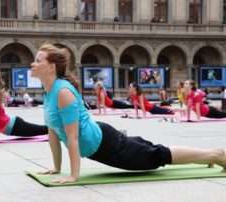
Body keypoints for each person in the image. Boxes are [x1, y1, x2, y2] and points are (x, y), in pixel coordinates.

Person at [31, 44, 226, 184]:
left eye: (37, 60)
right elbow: (53, 133)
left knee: (158, 155)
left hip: (107, 145)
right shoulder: (50, 93)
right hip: (102, 143)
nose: (32, 64)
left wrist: (73, 176)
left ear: (51, 67)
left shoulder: (63, 92)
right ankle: (209, 156)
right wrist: (56, 168)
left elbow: (72, 138)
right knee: (153, 150)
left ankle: (217, 155)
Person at [0, 72, 48, 142]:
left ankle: (57, 129)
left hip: (13, 126)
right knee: (42, 130)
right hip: (11, 126)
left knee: (43, 130)